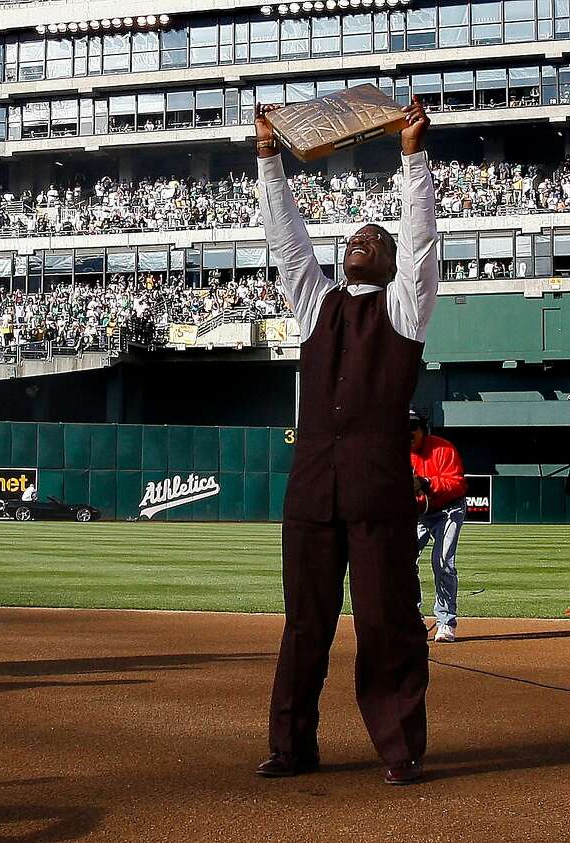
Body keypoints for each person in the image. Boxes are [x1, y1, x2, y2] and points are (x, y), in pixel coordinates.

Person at [253, 97, 437, 786]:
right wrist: (269, 156)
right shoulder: (315, 299)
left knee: (388, 620)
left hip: (377, 488)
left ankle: (400, 748)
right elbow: (287, 239)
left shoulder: (405, 308)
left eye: (375, 240)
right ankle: (291, 744)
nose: (363, 240)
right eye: (356, 238)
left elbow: (420, 240)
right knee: (304, 624)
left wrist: (412, 158)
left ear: (390, 267)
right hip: (311, 487)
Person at [410, 409, 468, 643]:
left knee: (443, 562)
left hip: (448, 509)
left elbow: (456, 484)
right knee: (405, 562)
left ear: (423, 429)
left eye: (414, 426)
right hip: (418, 514)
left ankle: (445, 621)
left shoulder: (443, 448)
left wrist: (425, 483)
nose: (409, 431)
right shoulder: (393, 451)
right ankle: (412, 618)